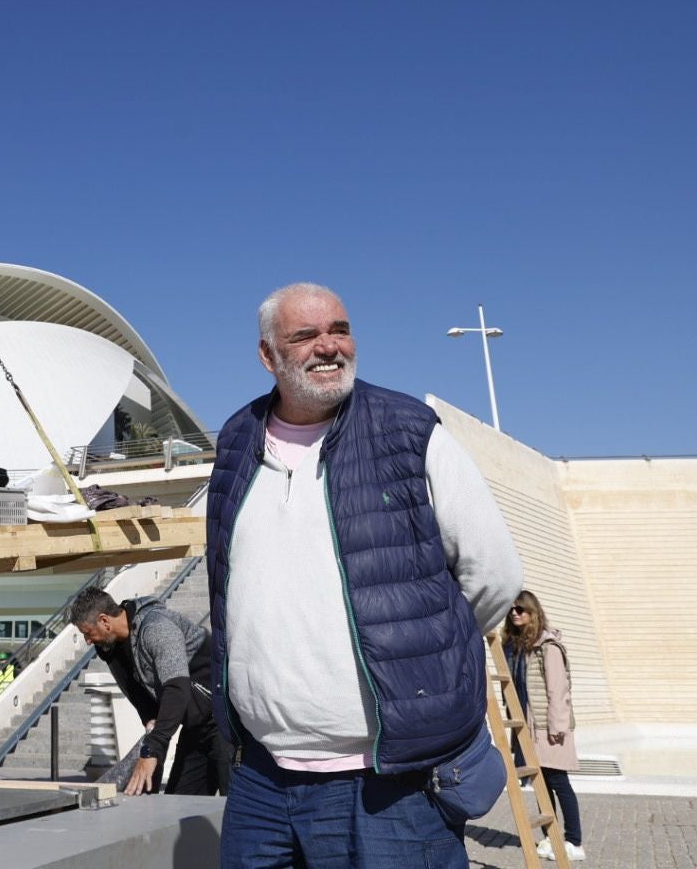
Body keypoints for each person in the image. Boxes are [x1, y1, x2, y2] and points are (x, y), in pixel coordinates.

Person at [207, 282, 524, 868]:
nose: (329, 347)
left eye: (340, 329)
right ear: (267, 356)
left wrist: (426, 656)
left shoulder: (409, 430)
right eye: (305, 336)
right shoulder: (234, 442)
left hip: (386, 783)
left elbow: (493, 576)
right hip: (261, 779)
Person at [69, 585, 231, 796]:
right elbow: (138, 696)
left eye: (88, 633)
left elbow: (176, 688)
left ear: (104, 621)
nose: (88, 641)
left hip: (226, 720)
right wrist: (150, 723)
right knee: (178, 806)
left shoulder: (157, 627)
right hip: (195, 725)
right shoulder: (111, 648)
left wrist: (152, 749)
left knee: (236, 805)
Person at [503, 590, 586, 862]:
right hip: (528, 727)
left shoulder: (547, 647)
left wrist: (556, 728)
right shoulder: (516, 648)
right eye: (512, 610)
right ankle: (551, 836)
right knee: (542, 784)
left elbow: (558, 690)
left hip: (548, 727)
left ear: (533, 612)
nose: (515, 613)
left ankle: (574, 841)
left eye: (521, 609)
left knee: (559, 781)